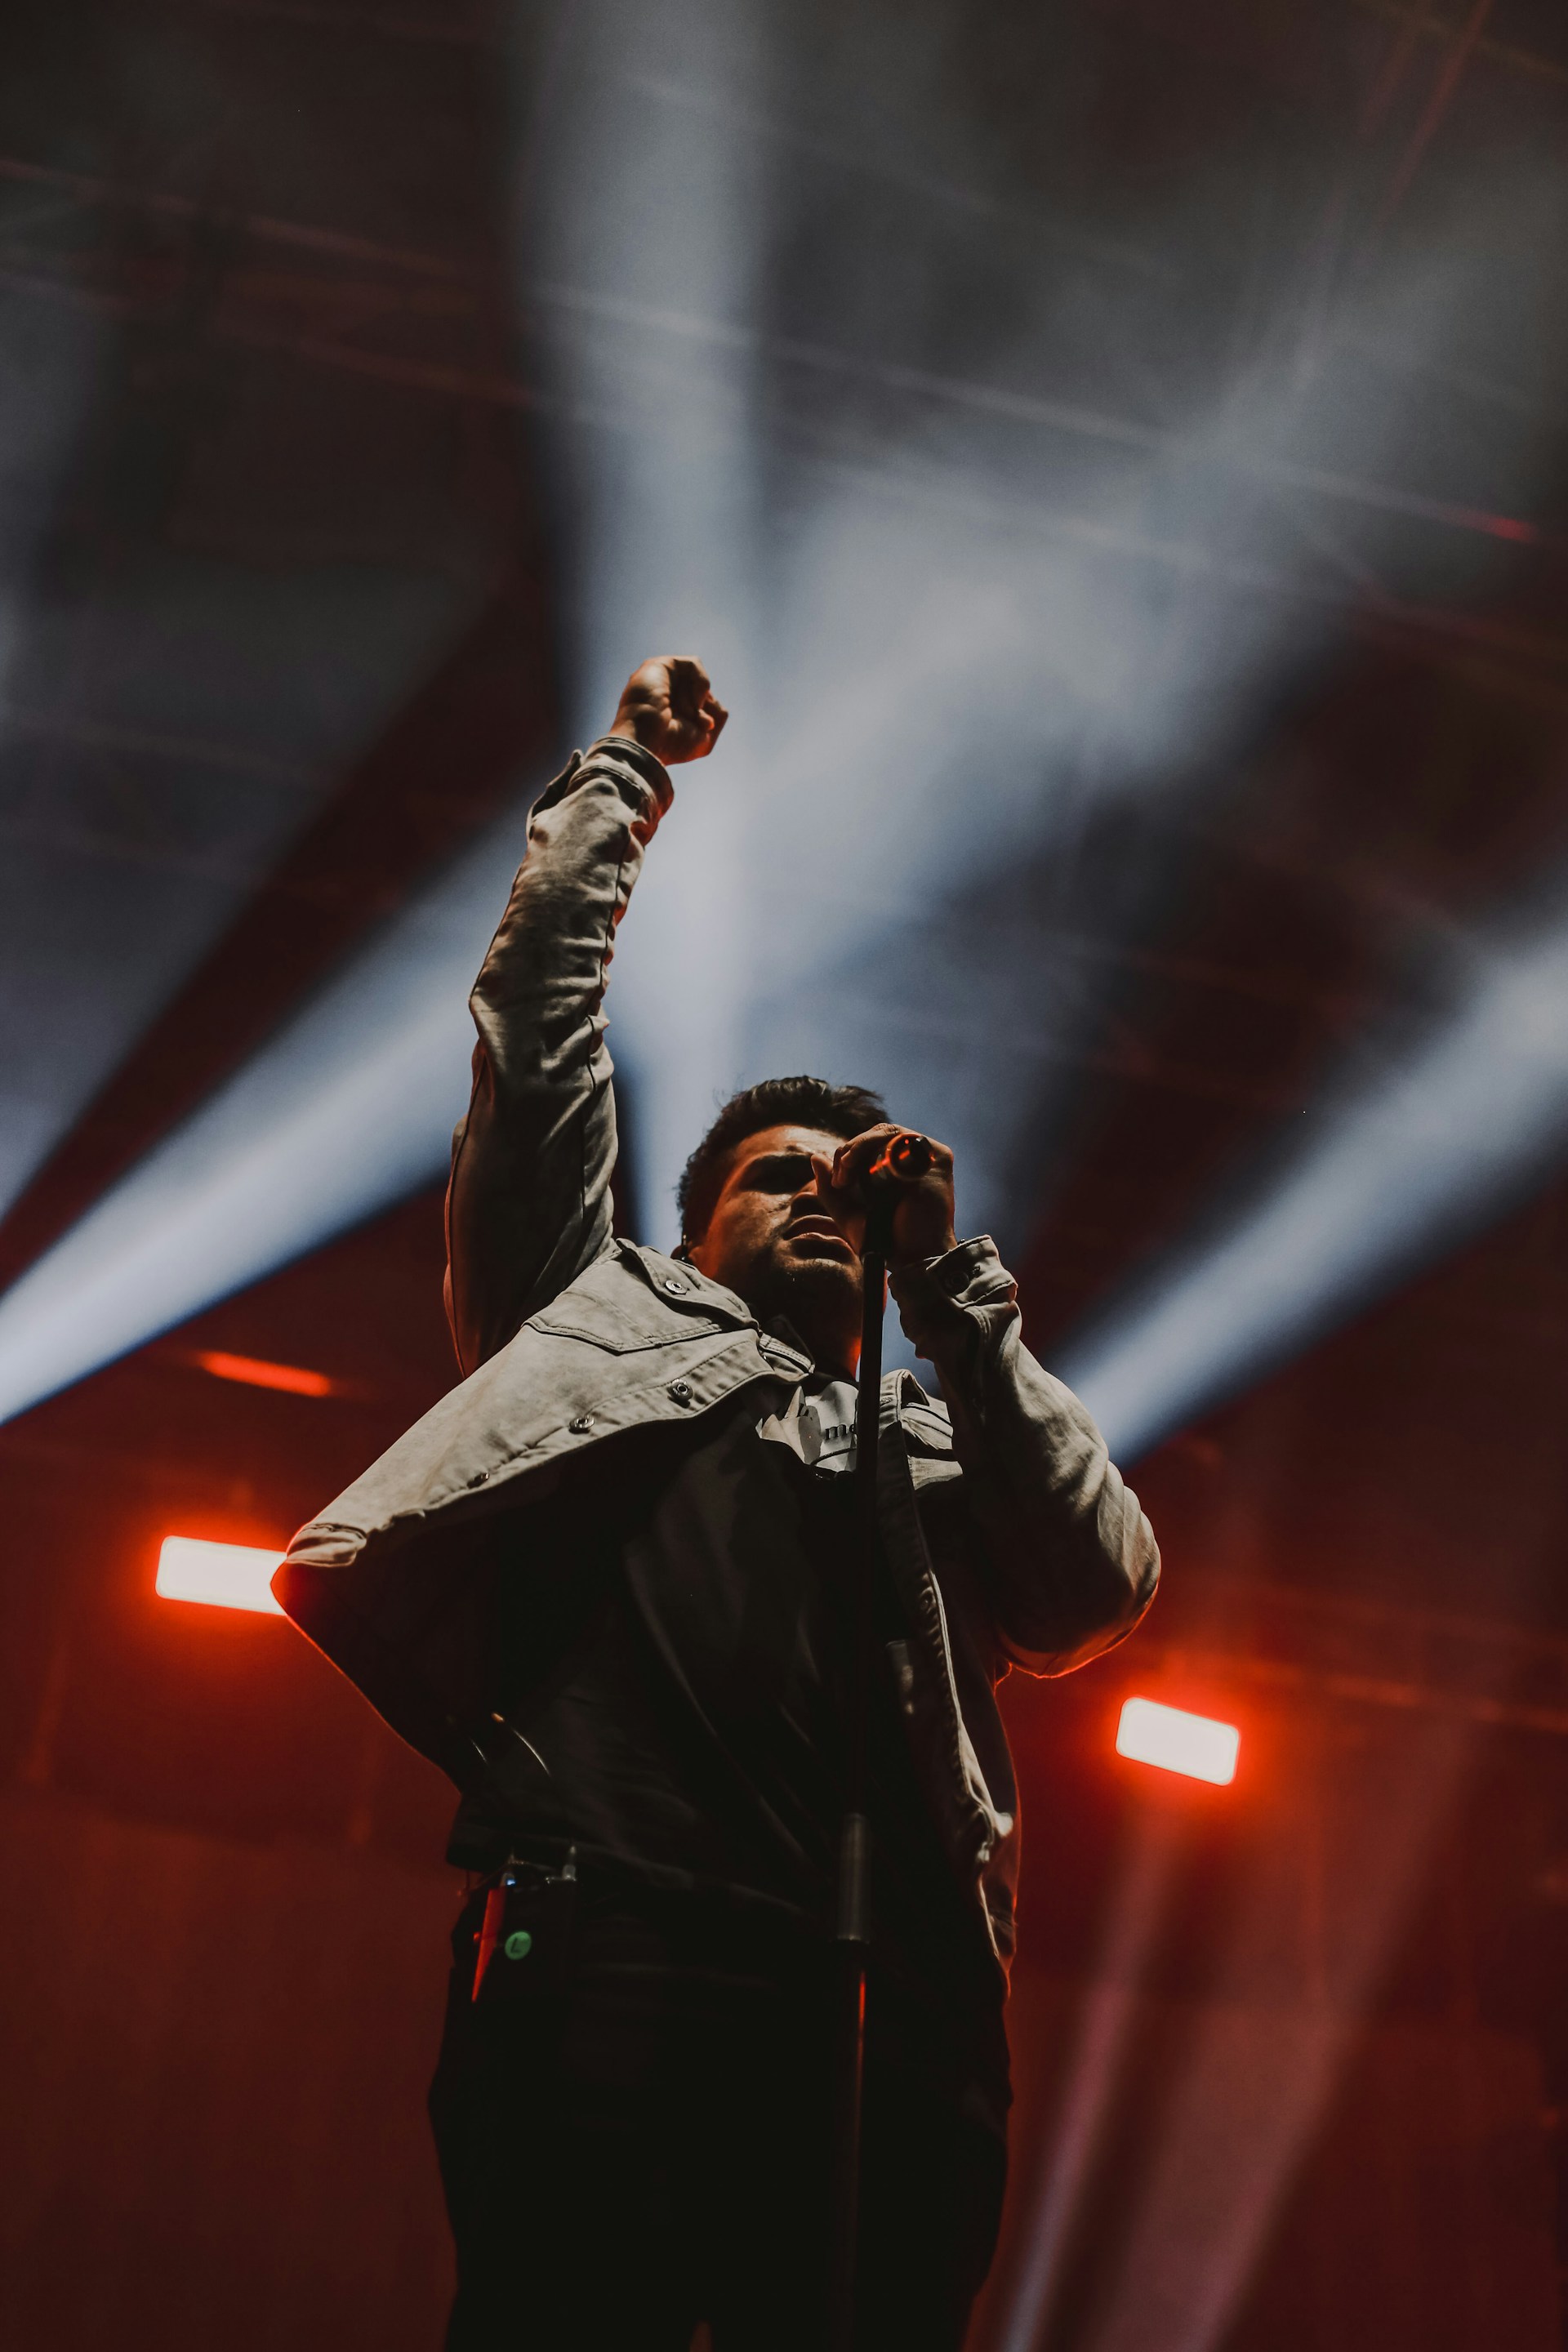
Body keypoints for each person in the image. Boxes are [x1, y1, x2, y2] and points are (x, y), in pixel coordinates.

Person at [274, 655, 1160, 2351]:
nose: (827, 1195)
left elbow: (1097, 1588)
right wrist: (620, 775)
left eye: (856, 1181)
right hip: (613, 1934)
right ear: (694, 1232)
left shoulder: (941, 1426)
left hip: (890, 1983)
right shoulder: (589, 1315)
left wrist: (961, 1316)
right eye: (782, 1176)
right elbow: (537, 1042)